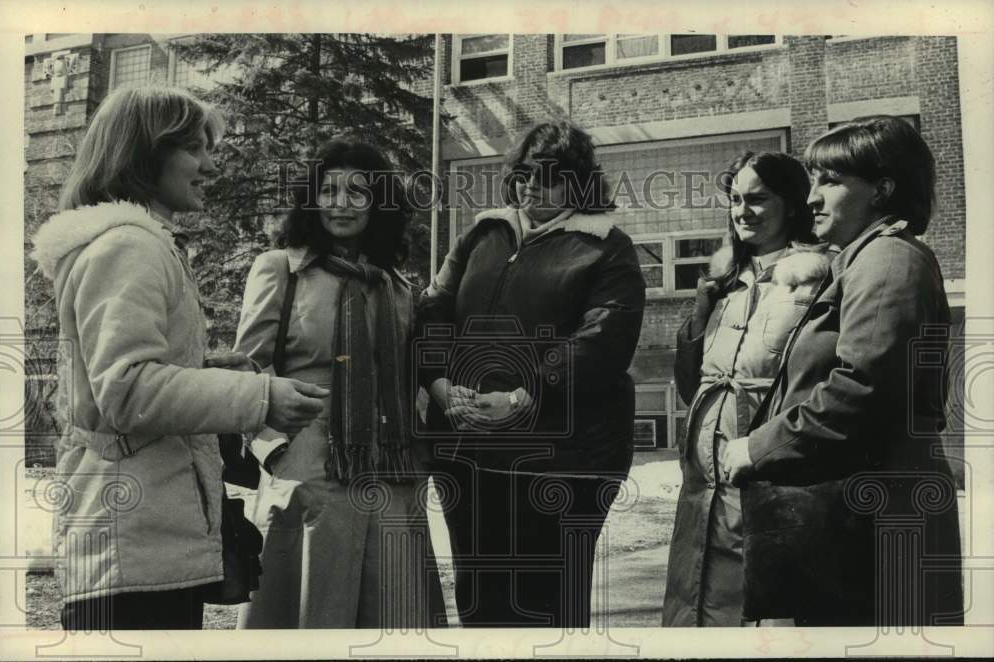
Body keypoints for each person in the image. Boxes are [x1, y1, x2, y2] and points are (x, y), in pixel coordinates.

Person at [29, 86, 329, 630]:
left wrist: (207, 373)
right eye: (195, 149)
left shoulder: (133, 244)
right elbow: (127, 389)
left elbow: (113, 379)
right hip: (134, 542)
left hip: (139, 537)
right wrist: (258, 397)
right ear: (145, 155)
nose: (210, 166)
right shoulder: (130, 247)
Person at [723, 116, 964, 626]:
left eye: (830, 181)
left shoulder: (888, 260)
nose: (812, 198)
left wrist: (758, 447)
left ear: (882, 189)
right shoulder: (860, 260)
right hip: (856, 527)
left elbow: (864, 389)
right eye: (813, 180)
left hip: (876, 532)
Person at [416, 120, 646, 627]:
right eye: (523, 174)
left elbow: (603, 341)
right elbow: (432, 312)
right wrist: (440, 386)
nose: (529, 187)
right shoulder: (483, 234)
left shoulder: (606, 246)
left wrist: (523, 395)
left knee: (548, 607)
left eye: (548, 177)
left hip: (563, 459)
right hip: (469, 455)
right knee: (480, 601)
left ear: (578, 183)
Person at [234, 139, 445, 629]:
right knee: (306, 617)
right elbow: (247, 369)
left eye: (357, 192)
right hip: (308, 478)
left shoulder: (394, 285)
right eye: (328, 190)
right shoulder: (280, 269)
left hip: (389, 478)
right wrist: (277, 450)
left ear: (378, 204)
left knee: (391, 617)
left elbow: (407, 374)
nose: (341, 204)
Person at [662, 152, 832, 627]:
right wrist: (699, 312)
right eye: (736, 199)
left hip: (766, 471)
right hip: (702, 478)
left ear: (793, 205)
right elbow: (687, 383)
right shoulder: (723, 284)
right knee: (695, 597)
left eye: (758, 199)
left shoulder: (819, 279)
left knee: (757, 607)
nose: (743, 211)